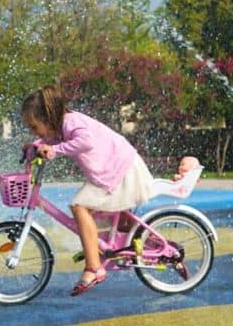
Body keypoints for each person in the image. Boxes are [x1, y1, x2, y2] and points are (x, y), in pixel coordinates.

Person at [22, 85, 156, 296]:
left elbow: (86, 141)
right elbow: (52, 139)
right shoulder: (61, 126)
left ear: (48, 118)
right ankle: (151, 242)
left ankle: (94, 267)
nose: (32, 131)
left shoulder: (72, 123)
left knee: (79, 206)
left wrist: (54, 150)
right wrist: (35, 145)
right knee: (116, 220)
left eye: (33, 126)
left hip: (120, 170)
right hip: (116, 168)